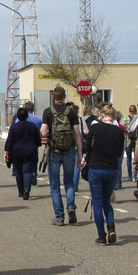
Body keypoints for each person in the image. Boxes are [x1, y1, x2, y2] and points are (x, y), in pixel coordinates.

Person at [84, 104, 126, 245]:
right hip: (111, 169)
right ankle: (111, 228)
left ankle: (101, 235)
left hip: (96, 168)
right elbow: (120, 152)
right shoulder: (119, 132)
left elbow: (87, 148)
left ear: (102, 115)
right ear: (113, 117)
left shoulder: (95, 128)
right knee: (106, 201)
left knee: (97, 203)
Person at [41, 87, 83, 226]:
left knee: (54, 184)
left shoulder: (48, 112)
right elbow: (77, 133)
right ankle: (71, 206)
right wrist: (80, 154)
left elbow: (44, 131)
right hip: (69, 150)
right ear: (64, 97)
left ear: (53, 97)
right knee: (69, 181)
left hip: (54, 151)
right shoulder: (71, 112)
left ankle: (59, 217)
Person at [4, 107, 41, 200]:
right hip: (30, 152)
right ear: (27, 116)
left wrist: (7, 151)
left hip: (17, 152)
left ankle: (21, 191)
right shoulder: (32, 126)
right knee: (27, 171)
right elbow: (38, 140)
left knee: (18, 172)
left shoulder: (14, 127)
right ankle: (27, 190)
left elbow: (10, 141)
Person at [124, 105, 138, 183]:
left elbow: (124, 129)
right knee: (136, 158)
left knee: (129, 158)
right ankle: (135, 174)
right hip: (136, 140)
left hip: (127, 140)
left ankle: (129, 174)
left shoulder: (126, 118)